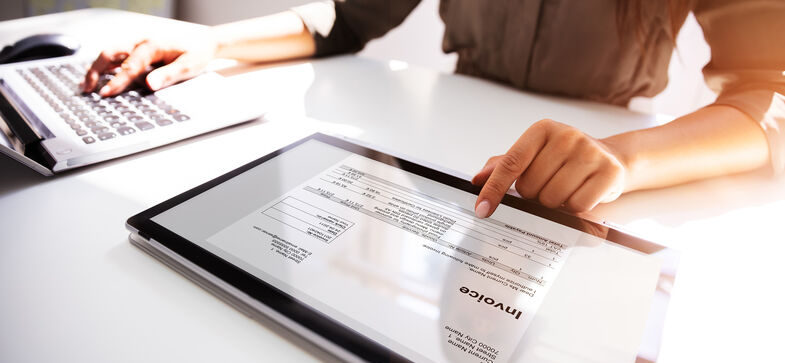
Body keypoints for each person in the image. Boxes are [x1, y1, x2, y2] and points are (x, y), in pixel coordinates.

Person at [81, 0, 785, 218]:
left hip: (597, 193)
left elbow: (769, 92)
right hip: (456, 169)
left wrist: (623, 159)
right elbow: (346, 19)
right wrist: (213, 42)